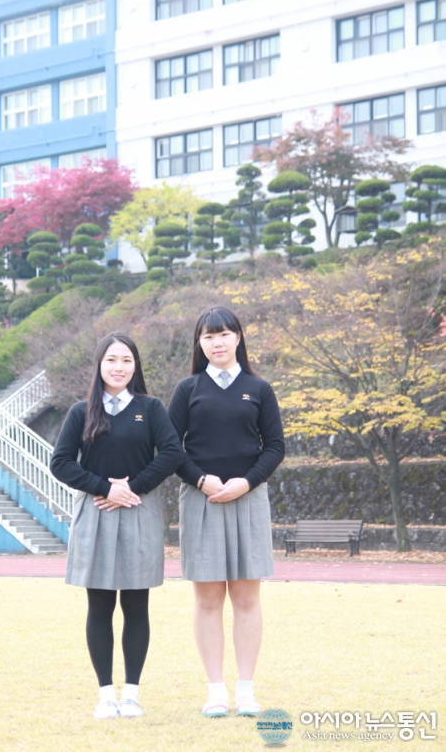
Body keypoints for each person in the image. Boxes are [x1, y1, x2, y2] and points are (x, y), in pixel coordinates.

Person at [50, 332, 183, 720]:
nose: (119, 367)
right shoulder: (81, 412)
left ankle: (131, 696)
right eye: (111, 360)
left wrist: (130, 489)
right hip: (96, 511)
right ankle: (106, 695)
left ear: (135, 366)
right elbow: (61, 462)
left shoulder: (150, 408)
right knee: (100, 605)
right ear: (99, 365)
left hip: (140, 509)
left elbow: (172, 453)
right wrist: (105, 488)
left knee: (137, 604)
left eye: (126, 360)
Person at [167, 306, 285, 718]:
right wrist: (201, 480)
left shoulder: (259, 388)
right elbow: (170, 448)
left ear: (238, 337)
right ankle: (216, 691)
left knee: (247, 597)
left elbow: (275, 447)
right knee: (208, 599)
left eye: (224, 334)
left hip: (248, 499)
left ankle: (246, 691)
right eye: (208, 336)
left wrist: (246, 482)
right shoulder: (187, 389)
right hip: (201, 500)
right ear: (199, 343)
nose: (217, 342)